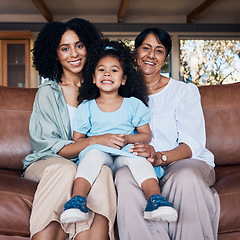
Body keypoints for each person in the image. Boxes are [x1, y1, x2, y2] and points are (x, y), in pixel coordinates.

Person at [115, 28, 220, 240]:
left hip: (183, 161)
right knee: (124, 177)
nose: (151, 56)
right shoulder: (122, 92)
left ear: (165, 58)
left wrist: (160, 157)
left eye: (159, 50)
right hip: (140, 165)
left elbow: (192, 144)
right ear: (136, 53)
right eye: (145, 48)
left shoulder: (183, 91)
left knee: (185, 177)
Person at [59, 39, 178, 225]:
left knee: (139, 157)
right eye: (101, 69)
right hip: (99, 152)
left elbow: (146, 135)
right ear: (93, 78)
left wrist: (127, 139)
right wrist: (98, 140)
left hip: (125, 151)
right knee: (92, 156)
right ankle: (77, 201)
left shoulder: (133, 105)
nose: (107, 73)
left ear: (123, 79)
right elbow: (78, 139)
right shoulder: (87, 107)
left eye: (114, 70)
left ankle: (156, 200)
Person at [22, 18, 117, 240]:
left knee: (102, 172)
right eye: (65, 48)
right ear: (54, 54)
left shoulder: (102, 89)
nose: (74, 54)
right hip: (48, 162)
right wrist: (94, 141)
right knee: (66, 170)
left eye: (79, 45)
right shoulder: (48, 93)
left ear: (89, 48)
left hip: (88, 162)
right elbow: (49, 145)